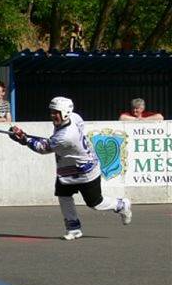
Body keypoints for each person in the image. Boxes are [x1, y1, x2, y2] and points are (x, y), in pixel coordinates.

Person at [9, 97, 132, 240]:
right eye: (52, 112)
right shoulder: (74, 117)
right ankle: (73, 228)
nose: (53, 115)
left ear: (65, 113)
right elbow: (52, 141)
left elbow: (43, 148)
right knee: (63, 196)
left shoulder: (66, 136)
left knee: (95, 203)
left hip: (85, 171)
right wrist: (25, 136)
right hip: (67, 170)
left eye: (56, 112)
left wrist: (23, 139)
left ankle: (121, 205)